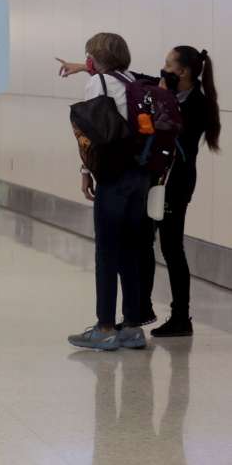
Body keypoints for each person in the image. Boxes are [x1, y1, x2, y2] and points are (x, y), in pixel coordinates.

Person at [58, 45, 221, 338]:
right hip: (154, 178)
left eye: (168, 65)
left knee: (171, 246)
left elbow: (173, 135)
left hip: (177, 180)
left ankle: (181, 316)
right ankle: (138, 313)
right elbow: (125, 74)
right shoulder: (162, 89)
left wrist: (164, 101)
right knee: (141, 242)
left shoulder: (197, 103)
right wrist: (83, 67)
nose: (163, 70)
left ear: (183, 72)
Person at [65, 33, 152, 351]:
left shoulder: (97, 84)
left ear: (94, 58)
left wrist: (86, 173)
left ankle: (104, 326)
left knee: (106, 252)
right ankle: (132, 327)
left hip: (113, 178)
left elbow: (92, 136)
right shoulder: (134, 81)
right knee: (131, 250)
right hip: (140, 176)